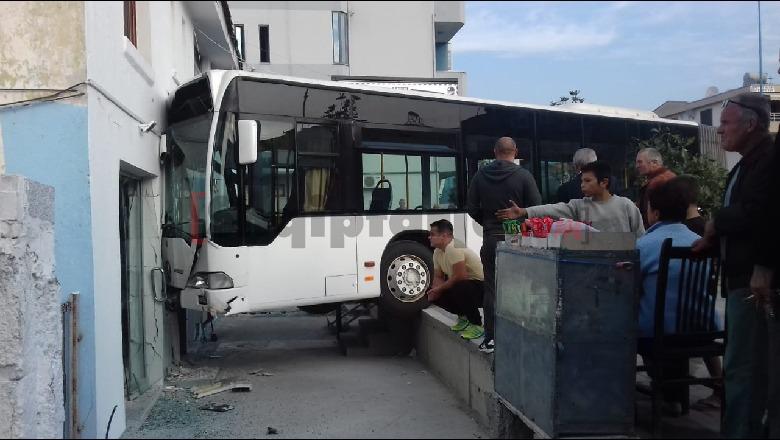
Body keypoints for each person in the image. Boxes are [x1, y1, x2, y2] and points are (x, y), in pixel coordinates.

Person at [691, 92, 778, 438]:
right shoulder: (746, 163)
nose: (720, 130)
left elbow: (759, 212)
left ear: (751, 124)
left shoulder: (768, 161)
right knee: (744, 366)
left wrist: (718, 222)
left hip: (753, 284)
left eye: (725, 123)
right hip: (741, 279)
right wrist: (713, 238)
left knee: (745, 368)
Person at [636, 179, 724, 413]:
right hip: (702, 329)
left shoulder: (644, 245)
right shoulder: (699, 242)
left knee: (628, 325)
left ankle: (663, 394)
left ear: (654, 213)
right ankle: (676, 394)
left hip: (660, 334)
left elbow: (631, 289)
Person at [467, 137, 541, 353]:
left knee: (491, 288)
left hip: (491, 238)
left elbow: (471, 207)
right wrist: (518, 220)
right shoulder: (524, 176)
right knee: (520, 287)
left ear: (494, 151)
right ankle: (518, 336)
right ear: (515, 151)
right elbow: (537, 207)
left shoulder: (480, 175)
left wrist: (489, 223)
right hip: (518, 238)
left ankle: (490, 337)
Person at [670, 175, 724, 408]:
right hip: (703, 309)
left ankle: (672, 394)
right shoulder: (704, 227)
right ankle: (718, 384)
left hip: (677, 309)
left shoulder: (684, 231)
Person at [497, 160, 645, 237]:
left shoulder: (626, 206)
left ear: (604, 182)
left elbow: (640, 237)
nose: (582, 185)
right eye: (582, 181)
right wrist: (524, 211)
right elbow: (552, 209)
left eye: (587, 181)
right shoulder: (579, 205)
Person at [427, 219, 486, 340]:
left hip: (482, 289)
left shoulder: (453, 248)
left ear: (444, 236)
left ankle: (477, 324)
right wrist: (435, 291)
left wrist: (439, 289)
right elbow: (438, 277)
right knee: (433, 292)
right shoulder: (437, 252)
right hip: (467, 287)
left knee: (459, 287)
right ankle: (463, 317)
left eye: (432, 234)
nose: (429, 237)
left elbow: (461, 276)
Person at [636, 147, 677, 228]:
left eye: (640, 162)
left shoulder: (660, 181)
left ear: (654, 163)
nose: (637, 166)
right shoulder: (665, 177)